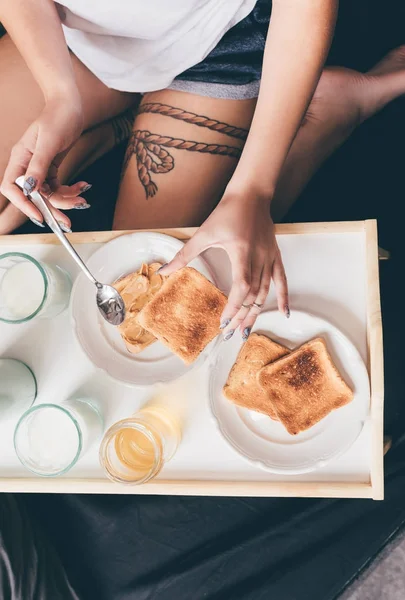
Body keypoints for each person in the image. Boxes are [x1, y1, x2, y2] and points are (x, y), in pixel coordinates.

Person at [0, 0, 404, 342]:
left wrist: (252, 191)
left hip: (216, 44)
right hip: (69, 43)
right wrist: (60, 97)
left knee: (168, 302)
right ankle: (114, 127)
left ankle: (328, 112)